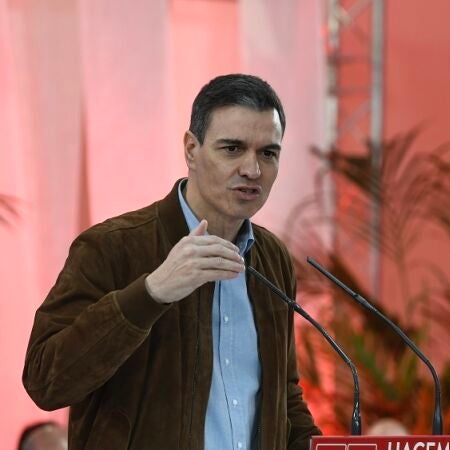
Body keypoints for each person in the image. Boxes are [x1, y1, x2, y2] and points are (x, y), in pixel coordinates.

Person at [23, 74, 320, 449]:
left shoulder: (272, 259)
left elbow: (283, 398)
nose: (252, 169)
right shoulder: (111, 247)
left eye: (268, 153)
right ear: (191, 150)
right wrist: (150, 293)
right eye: (232, 149)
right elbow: (46, 381)